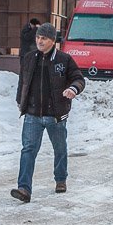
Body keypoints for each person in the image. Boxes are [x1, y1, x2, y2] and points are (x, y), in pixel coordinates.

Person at [13, 22, 85, 203]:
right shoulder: (30, 58)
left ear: (52, 40)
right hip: (32, 114)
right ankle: (24, 188)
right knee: (28, 150)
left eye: (43, 38)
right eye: (38, 37)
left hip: (56, 115)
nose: (39, 41)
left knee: (59, 148)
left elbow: (78, 78)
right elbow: (23, 82)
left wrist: (73, 89)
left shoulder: (64, 60)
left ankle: (61, 179)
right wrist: (20, 101)